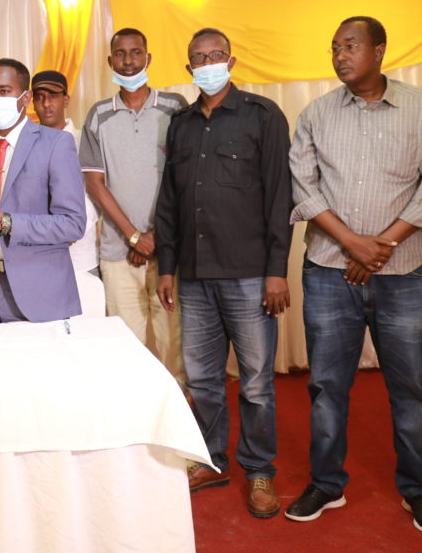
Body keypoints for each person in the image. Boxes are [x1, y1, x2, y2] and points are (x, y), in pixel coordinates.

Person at [285, 16, 422, 532]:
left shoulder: (418, 107)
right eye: (334, 47)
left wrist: (383, 245)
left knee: (412, 386)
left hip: (405, 271)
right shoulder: (317, 114)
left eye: (350, 45)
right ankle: (326, 483)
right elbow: (303, 184)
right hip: (327, 270)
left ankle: (418, 488)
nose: (340, 55)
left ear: (380, 50)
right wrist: (354, 244)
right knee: (326, 385)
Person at [154, 28, 292, 519]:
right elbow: (169, 201)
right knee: (205, 379)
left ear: (230, 60)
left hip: (250, 274)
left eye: (215, 55)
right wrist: (166, 267)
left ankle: (259, 470)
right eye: (197, 58)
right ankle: (213, 461)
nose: (206, 63)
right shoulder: (182, 124)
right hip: (192, 276)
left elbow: (280, 196)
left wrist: (277, 272)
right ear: (188, 67)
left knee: (255, 381)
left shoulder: (262, 115)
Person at [79, 29, 188, 381]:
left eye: (136, 53)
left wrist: (155, 236)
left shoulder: (175, 108)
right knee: (128, 348)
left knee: (175, 344)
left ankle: (180, 419)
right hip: (118, 252)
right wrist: (133, 237)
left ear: (148, 58)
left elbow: (185, 178)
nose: (128, 61)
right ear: (110, 61)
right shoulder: (98, 115)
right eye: (120, 54)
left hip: (169, 250)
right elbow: (94, 182)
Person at [0, 58, 87, 324]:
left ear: (25, 98)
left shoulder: (56, 144)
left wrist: (5, 221)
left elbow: (73, 224)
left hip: (38, 294)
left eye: (3, 91)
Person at [31, 70, 102, 314]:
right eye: (39, 97)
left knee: (86, 336)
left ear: (67, 99)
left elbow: (96, 192)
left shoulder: (85, 141)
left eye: (53, 96)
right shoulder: (26, 145)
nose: (46, 104)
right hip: (39, 259)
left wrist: (72, 226)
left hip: (81, 256)